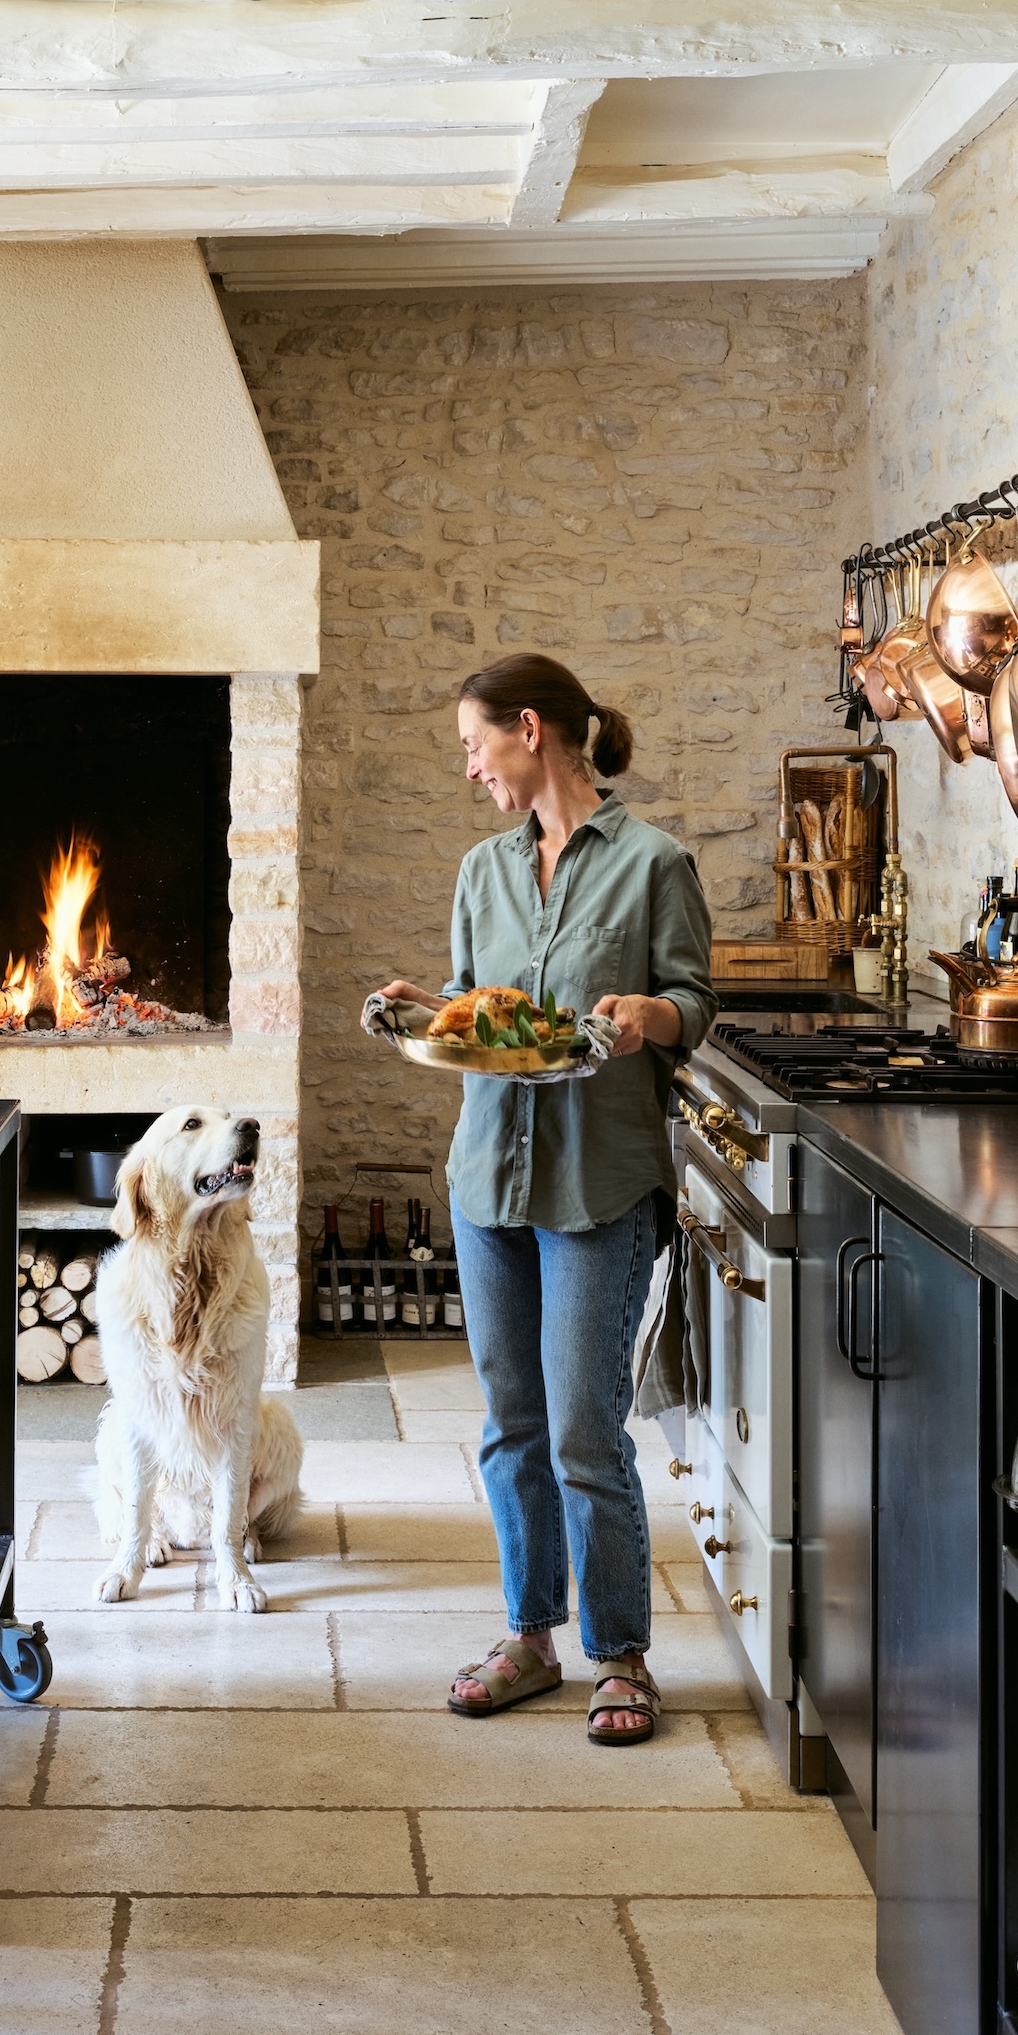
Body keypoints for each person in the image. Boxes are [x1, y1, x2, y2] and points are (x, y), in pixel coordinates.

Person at [367, 653, 715, 1745]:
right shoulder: (482, 869)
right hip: (489, 1179)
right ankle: (529, 1635)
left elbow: (695, 1003)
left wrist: (647, 1016)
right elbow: (484, 1012)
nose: (470, 768)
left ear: (531, 729)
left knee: (580, 1424)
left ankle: (622, 1654)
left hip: (597, 1181)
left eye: (476, 744)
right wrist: (423, 1006)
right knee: (508, 1423)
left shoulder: (655, 861)